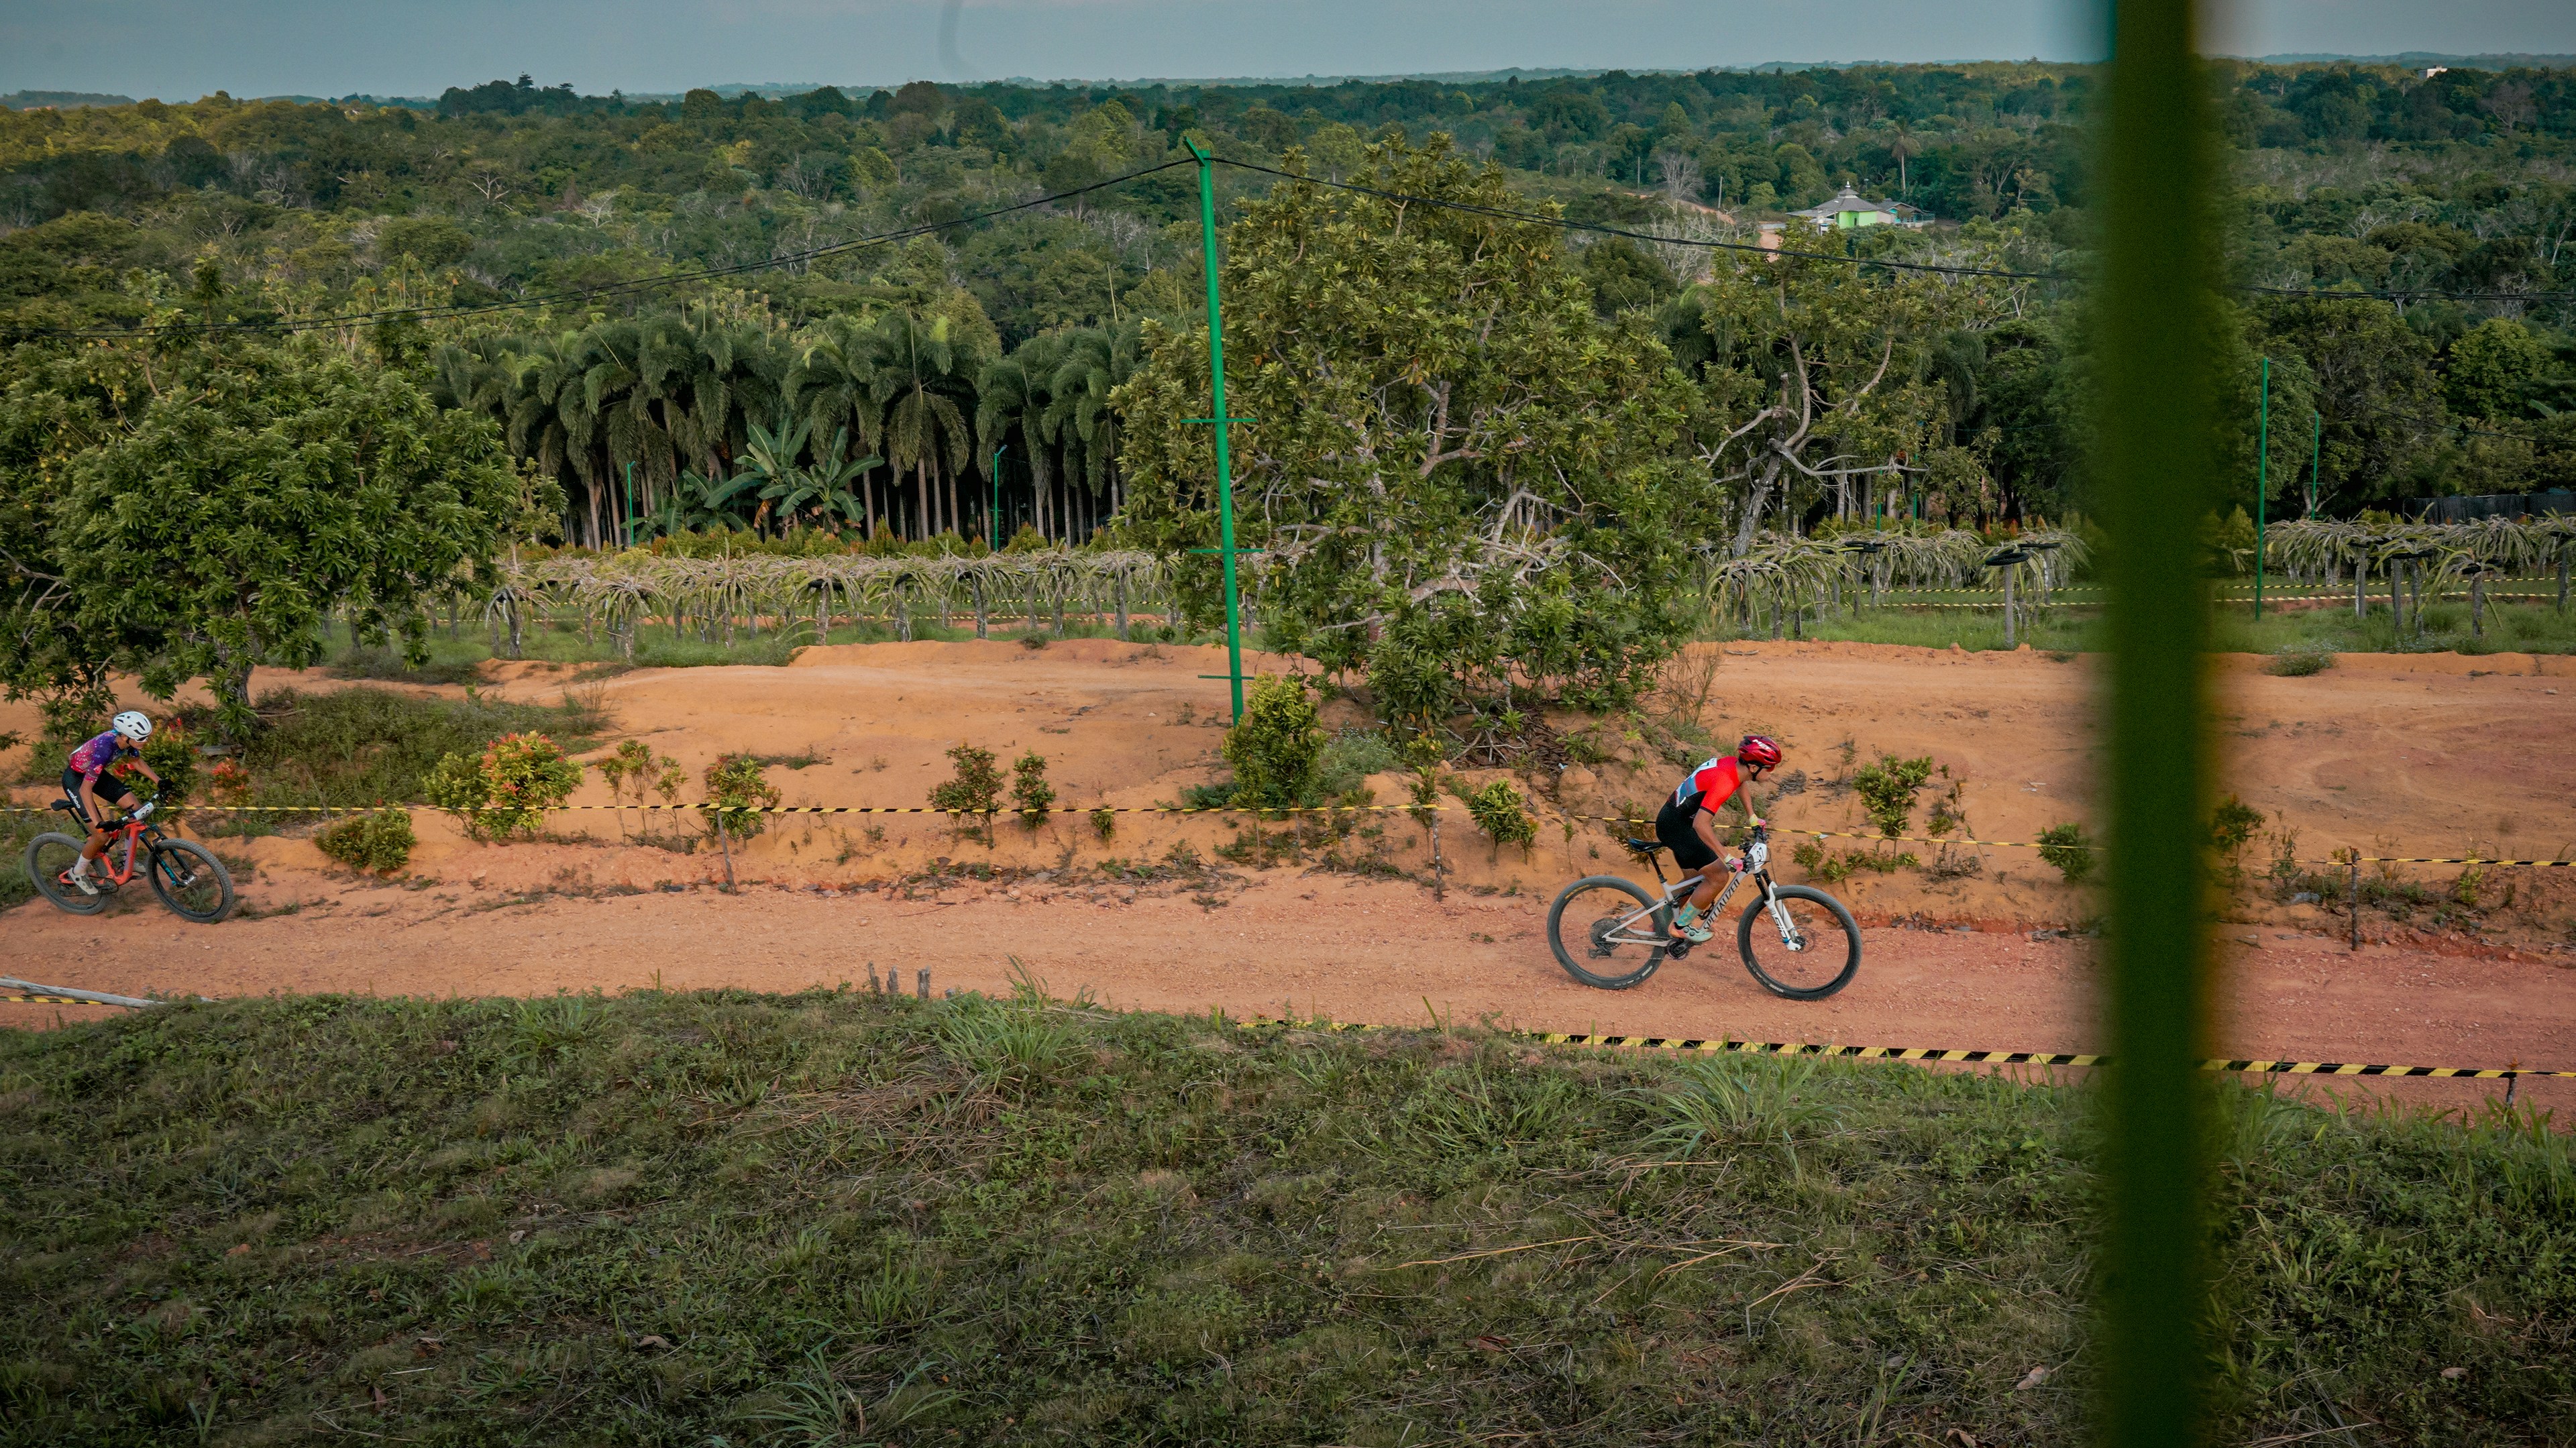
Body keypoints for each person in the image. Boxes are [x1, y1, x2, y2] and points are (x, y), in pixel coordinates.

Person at [1654, 734, 1780, 944]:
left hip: (1675, 819)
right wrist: (1728, 858)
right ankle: (1680, 926)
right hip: (1678, 826)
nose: (1773, 772)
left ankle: (1658, 921)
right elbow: (1701, 825)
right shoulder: (1724, 780)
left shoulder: (1733, 765)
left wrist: (1752, 816)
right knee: (1719, 876)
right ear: (1753, 768)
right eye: (1770, 767)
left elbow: (1740, 784)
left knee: (1694, 879)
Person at [62, 710, 161, 895]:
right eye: (141, 738)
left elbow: (136, 761)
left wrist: (159, 781)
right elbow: (85, 790)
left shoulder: (125, 741)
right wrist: (98, 823)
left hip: (94, 774)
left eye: (147, 737)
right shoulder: (105, 748)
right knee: (101, 835)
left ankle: (125, 858)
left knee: (136, 810)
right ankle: (78, 872)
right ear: (125, 736)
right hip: (76, 780)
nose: (145, 741)